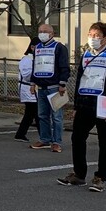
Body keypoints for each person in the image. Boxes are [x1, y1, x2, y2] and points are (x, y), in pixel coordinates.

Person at [58, 21, 106, 192]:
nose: (92, 38)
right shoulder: (87, 55)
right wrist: (76, 106)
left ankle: (100, 177)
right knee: (77, 138)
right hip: (85, 104)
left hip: (104, 106)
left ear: (105, 38)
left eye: (96, 36)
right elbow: (80, 81)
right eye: (90, 35)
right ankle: (79, 174)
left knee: (105, 141)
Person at [29, 22, 70, 153]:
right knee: (42, 115)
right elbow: (35, 66)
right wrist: (32, 83)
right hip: (41, 87)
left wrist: (62, 84)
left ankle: (56, 142)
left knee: (57, 117)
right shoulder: (37, 48)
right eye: (40, 31)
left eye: (45, 31)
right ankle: (45, 139)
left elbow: (64, 66)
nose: (42, 34)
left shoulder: (59, 47)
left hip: (55, 87)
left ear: (52, 33)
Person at [15, 42, 39, 141]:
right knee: (35, 112)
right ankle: (44, 136)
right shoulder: (26, 59)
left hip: (33, 89)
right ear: (32, 47)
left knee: (31, 113)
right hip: (27, 88)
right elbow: (27, 75)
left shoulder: (36, 59)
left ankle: (20, 134)